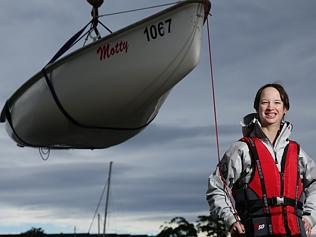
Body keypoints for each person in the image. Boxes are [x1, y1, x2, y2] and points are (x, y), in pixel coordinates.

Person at [206, 83, 316, 237]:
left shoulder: (297, 153)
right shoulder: (241, 149)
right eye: (265, 102)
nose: (271, 107)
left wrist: (310, 217)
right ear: (257, 108)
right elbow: (217, 186)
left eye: (277, 102)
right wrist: (231, 219)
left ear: (285, 109)